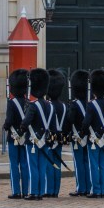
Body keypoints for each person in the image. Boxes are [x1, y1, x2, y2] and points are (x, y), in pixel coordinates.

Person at [20, 68, 54, 201]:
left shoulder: (33, 106)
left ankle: (34, 192)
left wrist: (22, 127)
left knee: (33, 167)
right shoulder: (49, 105)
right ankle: (40, 192)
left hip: (33, 141)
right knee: (42, 167)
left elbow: (26, 122)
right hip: (45, 140)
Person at [82, 69, 104, 198]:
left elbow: (86, 123)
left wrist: (83, 132)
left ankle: (96, 190)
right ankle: (102, 190)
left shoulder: (91, 105)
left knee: (94, 165)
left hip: (94, 139)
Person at [3, 69, 30, 199]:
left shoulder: (11, 103)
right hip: (25, 137)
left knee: (14, 164)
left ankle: (16, 191)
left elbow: (9, 121)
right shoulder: (28, 102)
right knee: (24, 164)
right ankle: (25, 191)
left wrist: (5, 126)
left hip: (13, 137)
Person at [67, 69, 90, 197]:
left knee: (79, 162)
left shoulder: (75, 105)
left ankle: (81, 187)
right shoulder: (89, 104)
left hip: (77, 137)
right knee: (87, 162)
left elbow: (70, 120)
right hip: (88, 136)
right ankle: (88, 186)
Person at [45, 69, 68, 197]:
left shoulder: (47, 105)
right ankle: (55, 190)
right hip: (59, 138)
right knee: (57, 164)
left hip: (48, 138)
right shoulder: (64, 105)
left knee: (49, 163)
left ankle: (49, 190)